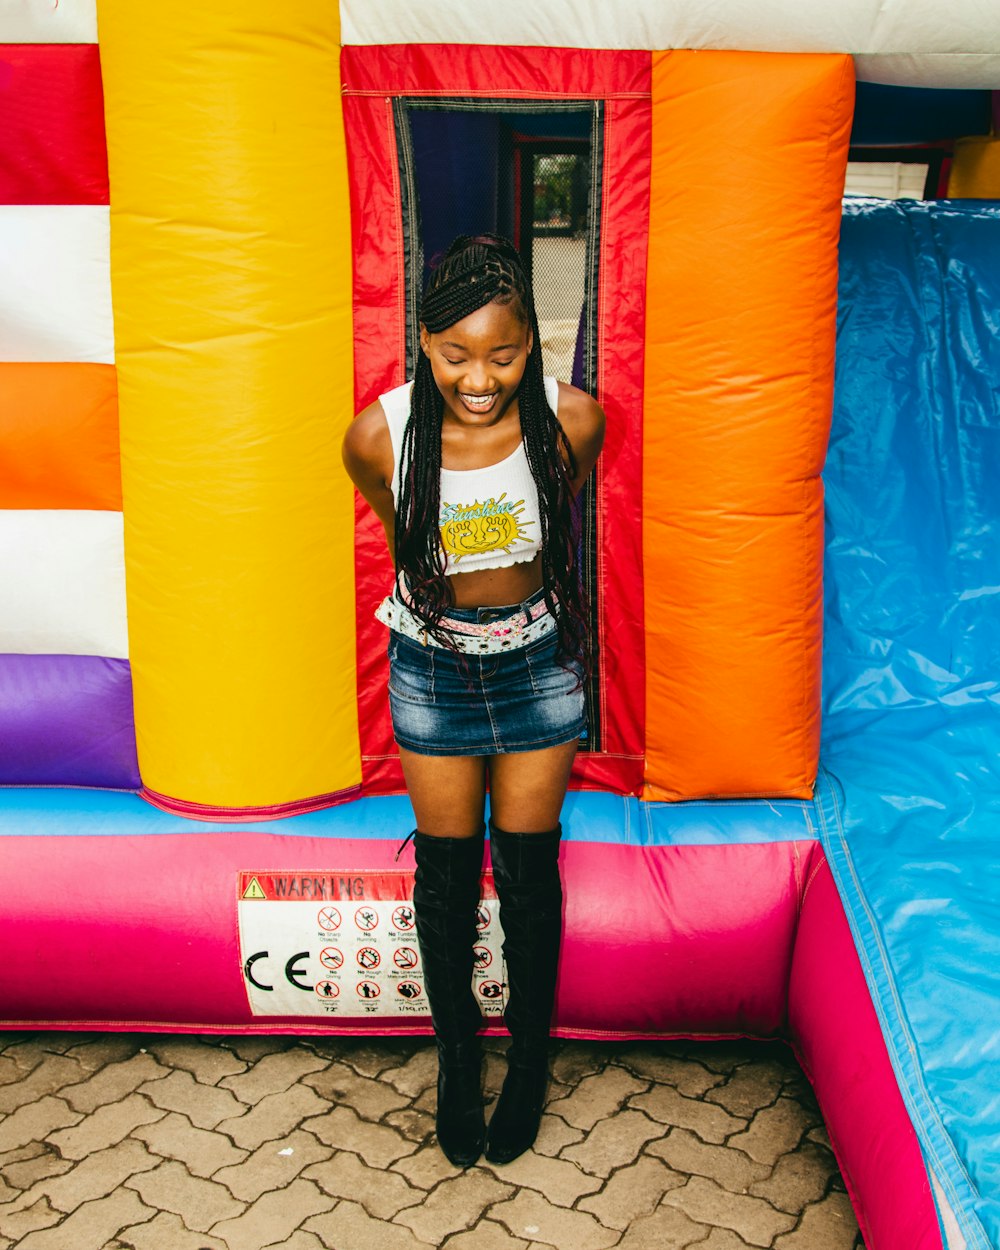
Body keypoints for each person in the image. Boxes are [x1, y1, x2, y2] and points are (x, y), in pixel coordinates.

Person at [342, 234, 605, 1167]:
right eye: (456, 356)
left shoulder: (573, 421)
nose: (480, 378)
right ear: (423, 340)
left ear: (531, 343)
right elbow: (395, 519)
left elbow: (555, 521)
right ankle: (460, 1061)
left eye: (502, 354)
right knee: (447, 881)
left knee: (528, 877)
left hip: (536, 668)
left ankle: (528, 1064)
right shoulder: (381, 433)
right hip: (434, 672)